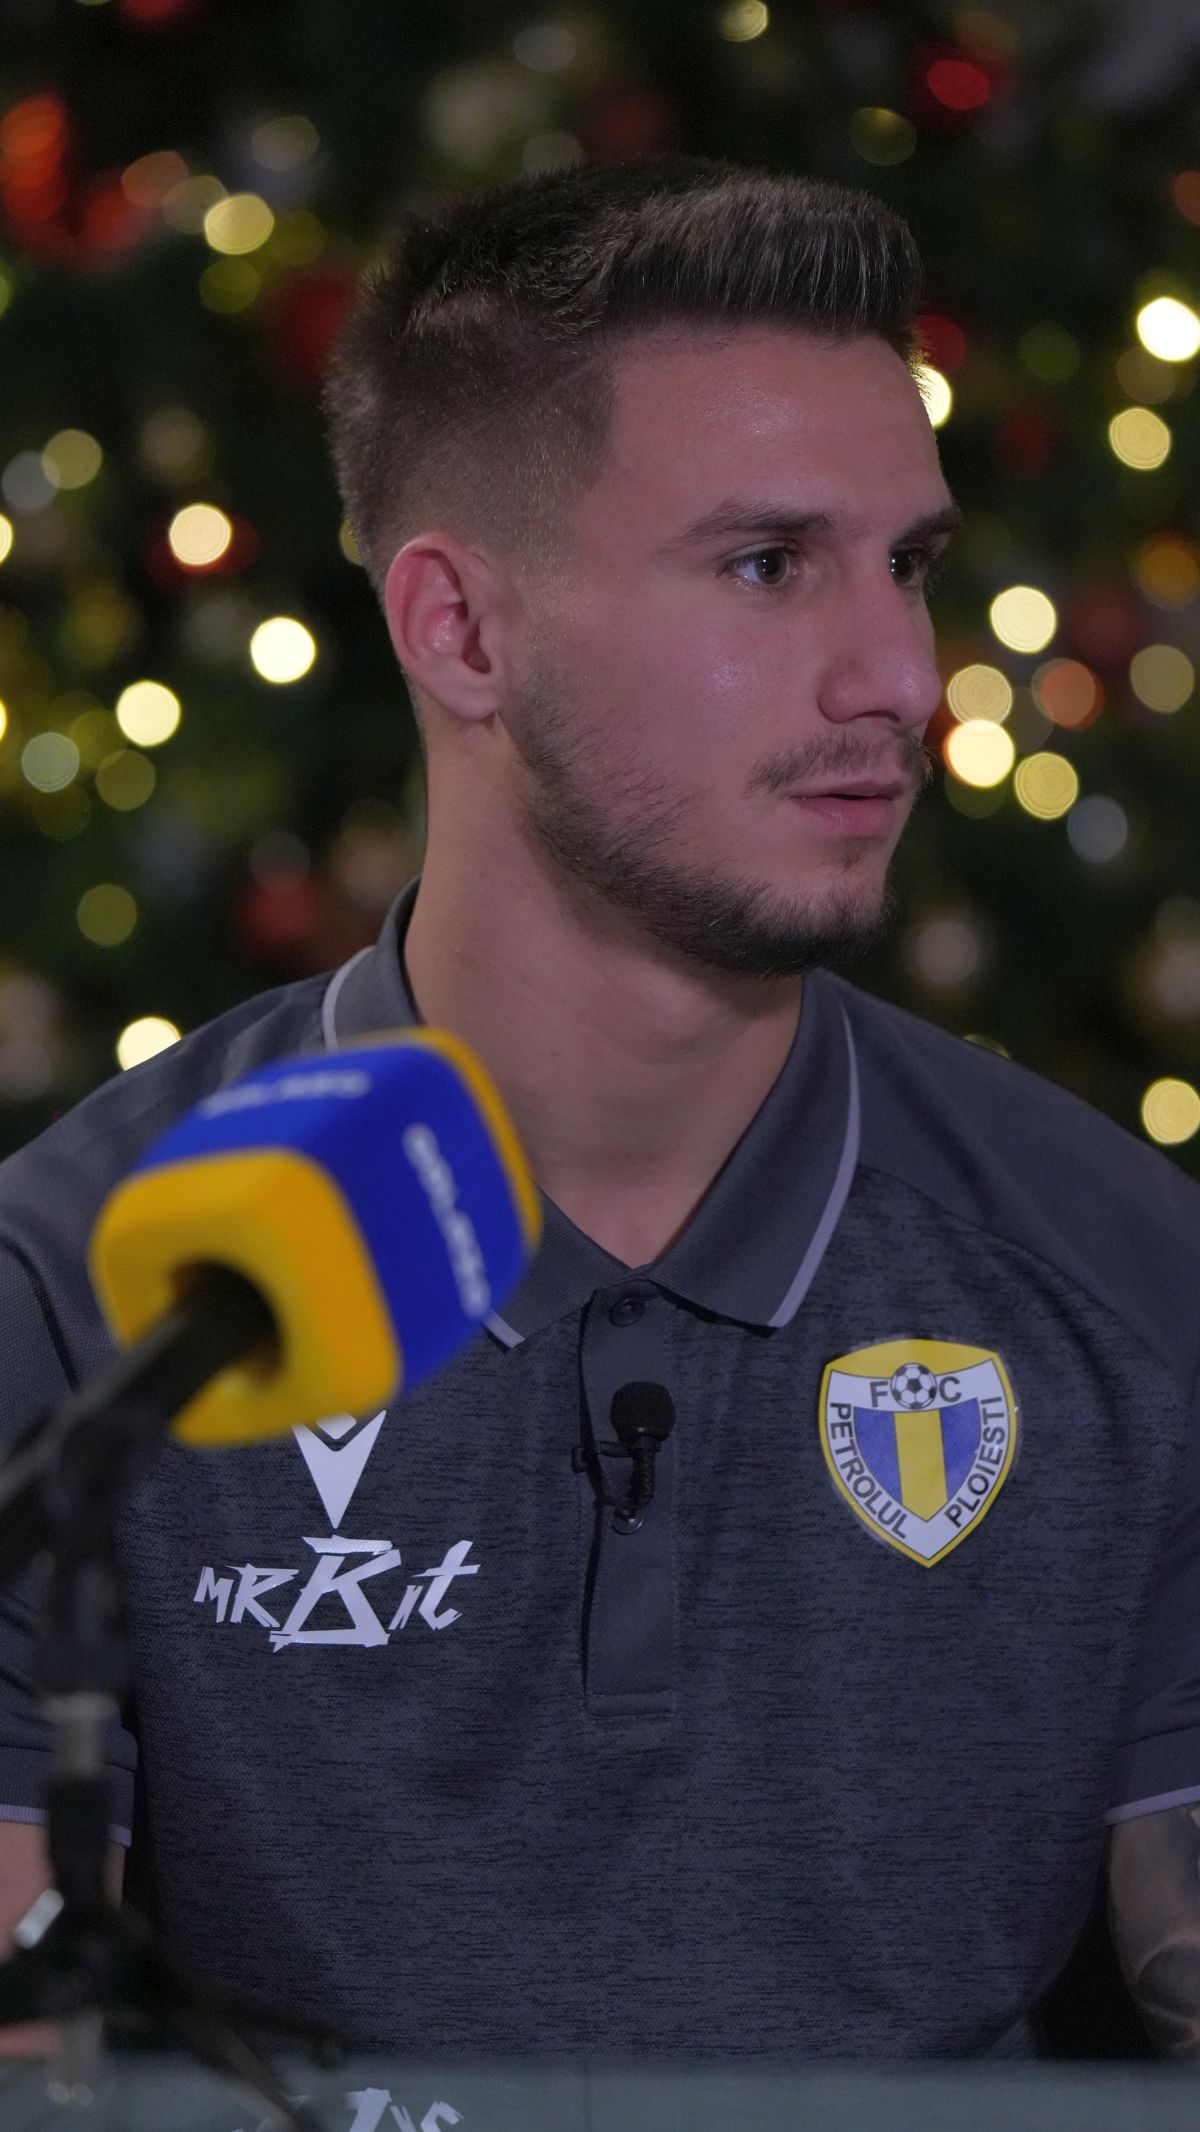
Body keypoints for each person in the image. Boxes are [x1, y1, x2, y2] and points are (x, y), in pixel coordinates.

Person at [0, 149, 1199, 2064]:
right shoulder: (82, 1295)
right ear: (460, 632)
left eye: (908, 565)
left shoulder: (1130, 1280)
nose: (900, 677)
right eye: (766, 564)